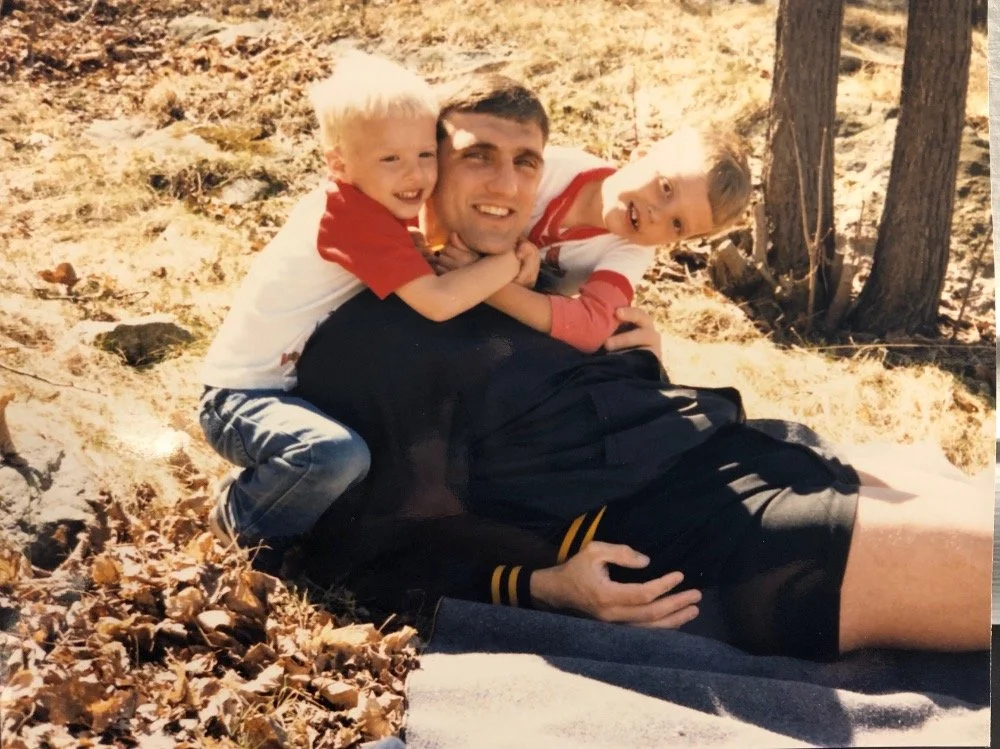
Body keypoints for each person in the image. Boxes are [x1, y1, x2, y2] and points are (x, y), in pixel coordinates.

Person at [293, 72, 992, 661]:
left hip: (731, 449)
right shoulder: (373, 336)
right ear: (426, 162)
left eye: (528, 161)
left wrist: (644, 367)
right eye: (477, 155)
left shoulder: (524, 274)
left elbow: (578, 381)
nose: (507, 183)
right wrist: (535, 586)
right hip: (709, 537)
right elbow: (357, 546)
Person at [197, 52, 533, 565]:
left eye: (424, 155)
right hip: (240, 400)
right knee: (334, 454)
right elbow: (438, 303)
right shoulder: (350, 215)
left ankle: (291, 509)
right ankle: (241, 519)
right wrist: (510, 262)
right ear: (340, 164)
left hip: (285, 390)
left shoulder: (370, 208)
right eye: (390, 159)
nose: (415, 174)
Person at [427, 126, 751, 352]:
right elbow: (456, 212)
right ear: (641, 153)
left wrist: (488, 283)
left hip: (494, 320)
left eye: (677, 224)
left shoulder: (632, 251)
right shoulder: (550, 170)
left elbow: (590, 327)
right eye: (665, 188)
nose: (658, 214)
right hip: (435, 276)